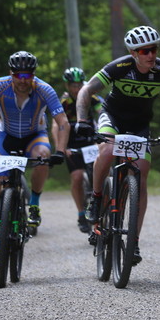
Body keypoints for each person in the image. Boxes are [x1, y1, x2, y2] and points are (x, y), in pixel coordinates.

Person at [75, 25, 160, 265]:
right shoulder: (119, 67)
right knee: (106, 150)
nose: (151, 55)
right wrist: (82, 121)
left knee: (141, 172)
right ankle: (96, 198)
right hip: (112, 118)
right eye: (144, 51)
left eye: (154, 49)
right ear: (134, 53)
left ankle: (134, 241)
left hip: (139, 125)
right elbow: (86, 90)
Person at [0, 51, 69, 232]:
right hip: (7, 136)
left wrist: (59, 151)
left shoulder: (44, 90)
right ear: (11, 73)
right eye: (17, 75)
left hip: (34, 136)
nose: (22, 80)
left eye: (27, 75)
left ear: (33, 75)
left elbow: (63, 123)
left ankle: (34, 204)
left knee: (43, 157)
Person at [53, 67, 102, 233]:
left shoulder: (91, 97)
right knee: (77, 177)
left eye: (79, 84)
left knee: (102, 173)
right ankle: (81, 213)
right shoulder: (64, 102)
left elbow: (102, 112)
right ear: (67, 86)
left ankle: (102, 207)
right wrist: (61, 147)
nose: (76, 88)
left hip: (91, 142)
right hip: (71, 144)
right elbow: (56, 125)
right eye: (73, 85)